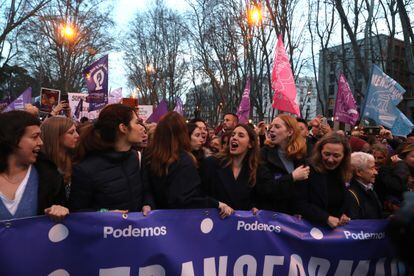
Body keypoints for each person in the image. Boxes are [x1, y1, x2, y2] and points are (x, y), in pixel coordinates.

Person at [145, 112, 233, 217]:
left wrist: (148, 203)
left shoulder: (149, 156)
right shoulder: (183, 160)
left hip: (155, 222)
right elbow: (186, 199)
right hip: (178, 221)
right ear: (183, 133)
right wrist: (216, 204)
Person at [69, 104, 151, 213]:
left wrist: (148, 204)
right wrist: (105, 214)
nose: (142, 127)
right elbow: (77, 212)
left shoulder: (138, 158)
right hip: (102, 229)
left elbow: (147, 191)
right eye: (137, 122)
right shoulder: (86, 169)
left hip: (137, 229)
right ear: (123, 128)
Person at [0, 110, 68, 220]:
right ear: (12, 140)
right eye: (34, 136)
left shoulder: (50, 177)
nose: (41, 142)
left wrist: (60, 211)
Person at [294, 133, 352, 228]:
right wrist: (325, 218)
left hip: (334, 233)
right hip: (310, 230)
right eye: (327, 154)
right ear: (320, 151)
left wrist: (343, 215)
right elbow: (300, 203)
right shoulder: (307, 169)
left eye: (336, 156)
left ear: (344, 156)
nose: (330, 160)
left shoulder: (346, 173)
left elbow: (344, 203)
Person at [256, 114, 309, 214]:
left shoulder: (300, 155)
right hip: (271, 216)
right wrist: (292, 177)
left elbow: (304, 191)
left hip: (294, 219)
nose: (271, 129)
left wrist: (301, 211)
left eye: (277, 126)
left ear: (290, 132)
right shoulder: (264, 154)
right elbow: (265, 188)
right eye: (271, 126)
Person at [201, 124, 260, 211]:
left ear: (250, 144)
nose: (234, 138)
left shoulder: (255, 170)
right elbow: (200, 195)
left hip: (240, 223)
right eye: (233, 135)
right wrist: (217, 204)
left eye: (241, 135)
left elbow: (255, 198)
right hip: (213, 221)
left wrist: (253, 208)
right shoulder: (211, 163)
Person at [40, 116, 79, 199]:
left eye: (76, 131)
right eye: (71, 132)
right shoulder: (41, 165)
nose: (77, 135)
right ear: (56, 136)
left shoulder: (75, 159)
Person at [345, 152, 383, 219]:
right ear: (359, 172)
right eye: (372, 168)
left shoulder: (369, 188)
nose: (376, 172)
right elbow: (355, 224)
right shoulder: (351, 195)